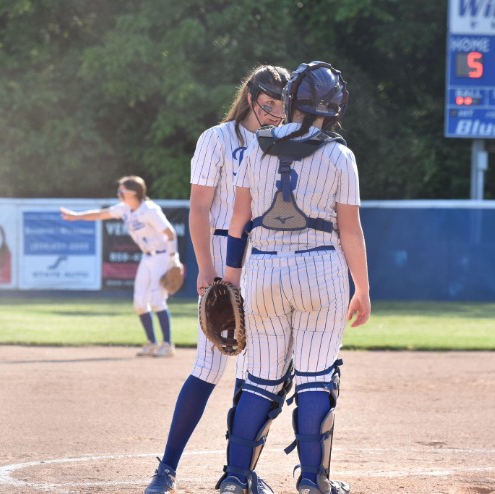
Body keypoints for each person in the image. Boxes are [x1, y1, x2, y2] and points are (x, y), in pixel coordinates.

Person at [218, 61, 370, 494]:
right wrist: (362, 287)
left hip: (263, 268)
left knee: (260, 379)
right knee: (317, 377)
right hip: (320, 271)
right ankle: (311, 481)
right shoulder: (340, 156)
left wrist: (230, 281)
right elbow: (350, 230)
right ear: (336, 107)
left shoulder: (253, 150)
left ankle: (234, 478)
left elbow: (238, 223)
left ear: (290, 102)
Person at [143, 65, 290, 494]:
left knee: (257, 375)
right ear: (250, 98)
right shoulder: (217, 140)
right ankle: (166, 468)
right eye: (268, 107)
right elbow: (199, 208)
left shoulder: (282, 143)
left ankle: (241, 471)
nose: (274, 116)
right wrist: (205, 268)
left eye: (281, 110)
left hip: (264, 259)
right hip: (225, 254)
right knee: (207, 368)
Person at [60, 175, 179, 358]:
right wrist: (76, 216)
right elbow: (101, 214)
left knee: (156, 301)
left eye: (122, 191)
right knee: (139, 303)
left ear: (133, 193)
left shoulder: (150, 210)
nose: (119, 194)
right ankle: (152, 343)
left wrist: (173, 259)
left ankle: (168, 345)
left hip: (162, 257)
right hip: (147, 258)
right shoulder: (125, 209)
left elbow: (170, 233)